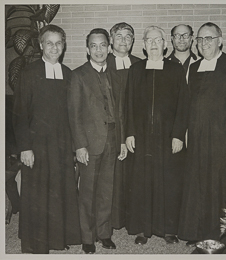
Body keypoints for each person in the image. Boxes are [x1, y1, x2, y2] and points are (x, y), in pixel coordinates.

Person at [178, 22, 226, 245]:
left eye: (209, 38)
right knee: (198, 185)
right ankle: (198, 232)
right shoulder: (194, 67)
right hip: (198, 138)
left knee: (220, 185)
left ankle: (223, 235)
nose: (204, 43)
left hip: (223, 139)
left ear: (220, 41)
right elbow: (188, 104)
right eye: (200, 39)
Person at [12, 24, 81, 253]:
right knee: (38, 194)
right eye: (49, 43)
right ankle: (36, 243)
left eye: (58, 43)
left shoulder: (69, 74)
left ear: (64, 46)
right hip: (36, 145)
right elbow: (20, 113)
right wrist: (25, 147)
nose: (54, 47)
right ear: (41, 45)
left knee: (59, 191)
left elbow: (73, 114)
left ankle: (56, 240)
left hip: (61, 144)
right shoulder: (29, 72)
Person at [125, 25, 189, 245]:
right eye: (149, 40)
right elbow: (129, 104)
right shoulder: (136, 70)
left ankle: (169, 229)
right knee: (143, 182)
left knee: (169, 183)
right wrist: (130, 133)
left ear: (165, 44)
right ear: (143, 45)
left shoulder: (175, 70)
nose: (154, 44)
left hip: (168, 137)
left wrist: (178, 135)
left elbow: (183, 105)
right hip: (142, 137)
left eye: (158, 40)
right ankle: (144, 229)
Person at [68, 28, 127, 254]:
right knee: (88, 191)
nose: (99, 50)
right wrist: (80, 145)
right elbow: (74, 115)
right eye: (94, 46)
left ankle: (104, 234)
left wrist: (121, 140)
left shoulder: (115, 74)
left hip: (112, 139)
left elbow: (120, 111)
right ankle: (87, 237)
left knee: (106, 190)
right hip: (90, 143)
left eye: (103, 45)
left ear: (109, 47)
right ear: (87, 50)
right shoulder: (78, 75)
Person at [106, 22, 141, 230]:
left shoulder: (139, 64)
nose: (123, 40)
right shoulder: (103, 63)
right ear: (111, 40)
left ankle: (132, 219)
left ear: (133, 41)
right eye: (119, 36)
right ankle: (113, 220)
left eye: (128, 36)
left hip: (134, 128)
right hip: (112, 129)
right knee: (113, 175)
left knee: (134, 174)